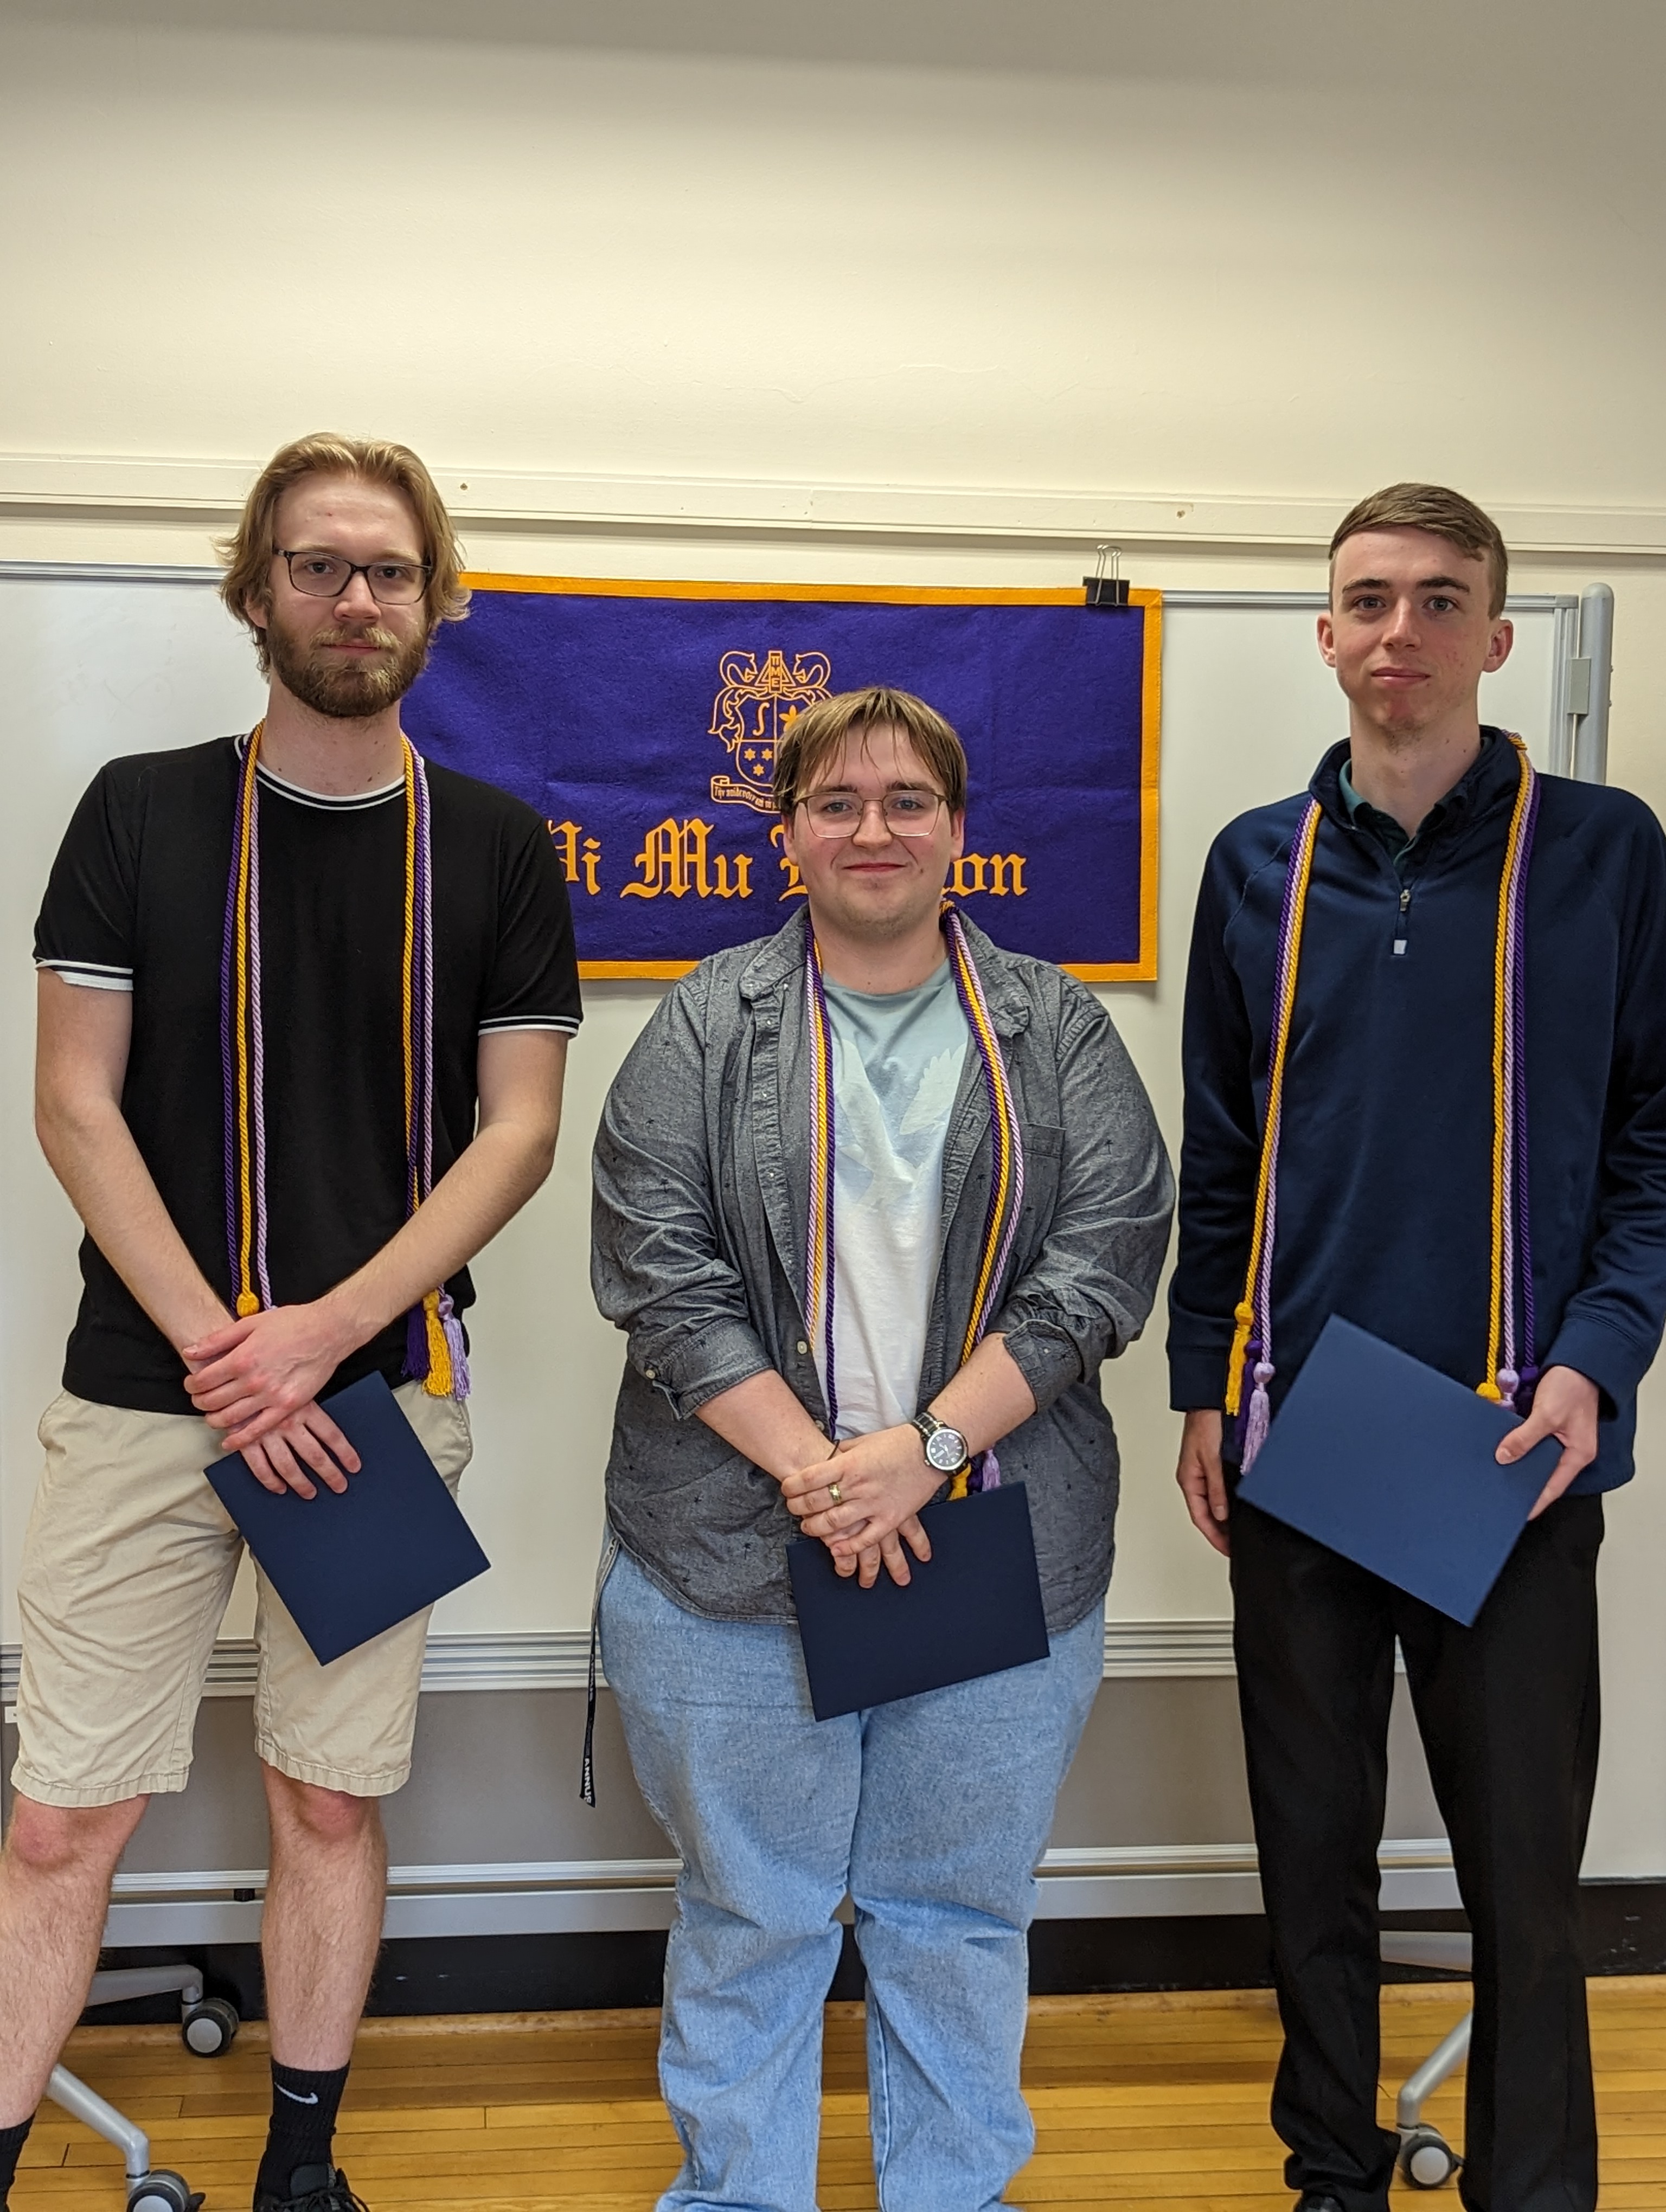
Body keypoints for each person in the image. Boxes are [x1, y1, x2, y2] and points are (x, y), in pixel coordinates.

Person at [0, 433, 581, 2212]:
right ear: (256, 592)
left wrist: (322, 1335)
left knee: (328, 1797)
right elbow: (74, 1104)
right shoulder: (137, 812)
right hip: (147, 1391)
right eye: (318, 565)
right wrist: (229, 1355)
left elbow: (519, 1132)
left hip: (375, 1399)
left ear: (438, 600)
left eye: (389, 570)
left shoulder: (496, 850)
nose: (355, 598)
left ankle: (303, 2170)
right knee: (60, 1820)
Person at [591, 684, 1172, 2212]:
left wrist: (925, 1450)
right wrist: (824, 1476)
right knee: (753, 1916)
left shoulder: (1056, 1027)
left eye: (908, 800)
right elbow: (658, 1268)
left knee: (956, 1915)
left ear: (958, 830)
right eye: (837, 802)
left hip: (996, 1538)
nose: (874, 829)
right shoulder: (703, 1024)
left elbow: (1105, 1262)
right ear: (786, 833)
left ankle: (950, 2196)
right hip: (729, 1554)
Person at [1169, 483, 1666, 2212]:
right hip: (1305, 1440)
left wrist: (1597, 1356)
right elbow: (1222, 1154)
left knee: (1524, 1881)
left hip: (1511, 1450)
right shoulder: (1254, 865)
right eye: (1370, 598)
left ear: (1497, 638)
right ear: (1326, 636)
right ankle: (1332, 2173)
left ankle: (1535, 2189)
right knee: (1312, 1864)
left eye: (1441, 599)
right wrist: (1202, 1386)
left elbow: (1654, 1145)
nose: (1403, 629)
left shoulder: (1607, 853)